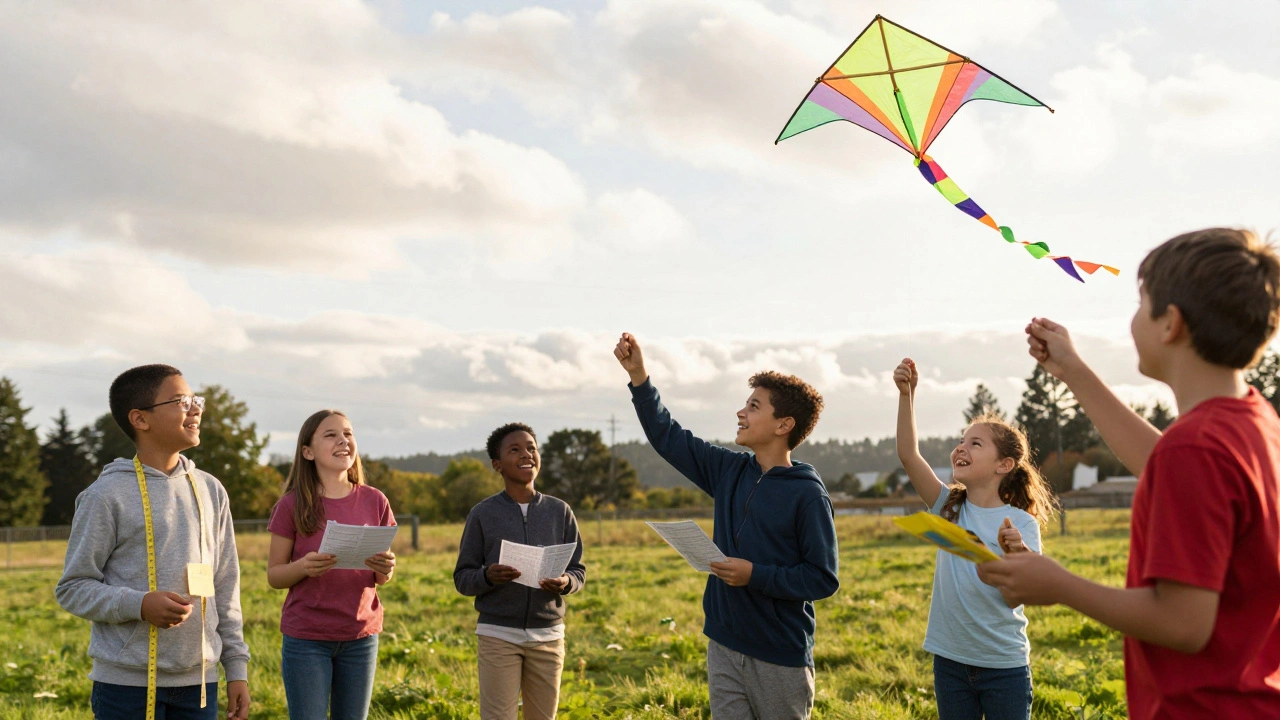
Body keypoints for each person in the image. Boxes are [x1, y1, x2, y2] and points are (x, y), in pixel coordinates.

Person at [978, 228, 1280, 718]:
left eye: (1142, 304)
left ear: (1171, 324)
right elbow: (1164, 463)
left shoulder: (1195, 448)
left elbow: (1183, 624)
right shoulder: (1254, 420)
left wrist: (1060, 585)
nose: (1133, 318)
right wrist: (1073, 371)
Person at [614, 332, 839, 720]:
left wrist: (754, 574)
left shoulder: (808, 495)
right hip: (723, 643)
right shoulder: (728, 470)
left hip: (779, 656)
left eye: (753, 406)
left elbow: (822, 578)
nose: (740, 413)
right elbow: (668, 438)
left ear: (784, 424)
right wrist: (639, 378)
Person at [55, 364, 250, 720]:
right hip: (126, 687)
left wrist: (236, 667)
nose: (196, 409)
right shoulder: (105, 496)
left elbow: (225, 585)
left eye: (196, 400)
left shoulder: (211, 490)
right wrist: (140, 604)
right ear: (140, 419)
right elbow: (73, 588)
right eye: (181, 401)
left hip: (201, 682)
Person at [894, 358, 1055, 720]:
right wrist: (907, 396)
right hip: (950, 661)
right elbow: (908, 455)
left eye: (975, 443)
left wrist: (1017, 553)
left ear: (1004, 465)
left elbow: (1020, 594)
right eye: (961, 441)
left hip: (1003, 666)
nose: (961, 448)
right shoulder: (947, 507)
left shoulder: (1021, 523)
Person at [266, 410, 397, 720]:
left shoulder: (376, 500)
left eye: (348, 434)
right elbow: (274, 576)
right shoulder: (291, 505)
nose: (343, 440)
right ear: (308, 452)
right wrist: (303, 567)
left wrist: (387, 567)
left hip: (361, 637)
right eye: (331, 435)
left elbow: (381, 577)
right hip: (307, 639)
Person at [453, 422, 586, 720]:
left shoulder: (560, 511)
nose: (526, 454)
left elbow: (578, 570)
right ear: (497, 464)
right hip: (498, 635)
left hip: (548, 636)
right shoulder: (482, 514)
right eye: (515, 450)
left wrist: (565, 582)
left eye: (531, 448)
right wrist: (488, 576)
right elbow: (462, 578)